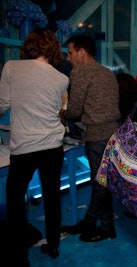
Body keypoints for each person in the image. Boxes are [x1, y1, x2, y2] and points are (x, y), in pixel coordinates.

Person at [0, 28, 69, 265]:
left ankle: (19, 256)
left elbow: (3, 104)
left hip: (24, 146)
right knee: (52, 196)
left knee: (15, 199)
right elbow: (61, 112)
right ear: (52, 48)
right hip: (52, 146)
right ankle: (53, 245)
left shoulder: (11, 67)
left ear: (29, 45)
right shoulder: (62, 78)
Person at [59, 34, 120, 242]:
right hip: (114, 134)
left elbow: (74, 110)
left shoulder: (80, 72)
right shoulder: (108, 73)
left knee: (99, 184)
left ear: (81, 53)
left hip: (96, 136)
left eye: (70, 53)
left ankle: (93, 224)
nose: (68, 58)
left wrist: (62, 114)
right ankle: (105, 226)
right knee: (103, 183)